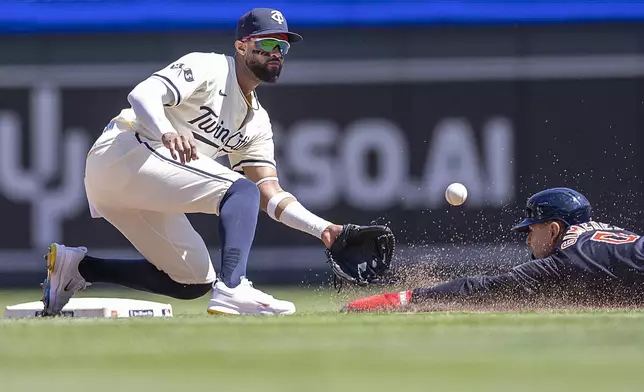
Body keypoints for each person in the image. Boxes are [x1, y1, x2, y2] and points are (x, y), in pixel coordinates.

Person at [41, 8, 347, 316]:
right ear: (241, 46)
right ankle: (233, 288)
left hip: (134, 190)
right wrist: (167, 132)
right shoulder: (211, 67)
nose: (276, 53)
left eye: (283, 46)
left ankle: (78, 269)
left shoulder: (257, 123)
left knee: (193, 280)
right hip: (122, 153)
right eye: (267, 43)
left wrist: (324, 230)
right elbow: (142, 95)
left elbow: (269, 192)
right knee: (239, 191)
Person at [345, 187, 644, 312]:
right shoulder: (602, 233)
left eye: (531, 229)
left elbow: (483, 289)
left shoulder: (567, 259)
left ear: (553, 229)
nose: (527, 238)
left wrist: (399, 298)